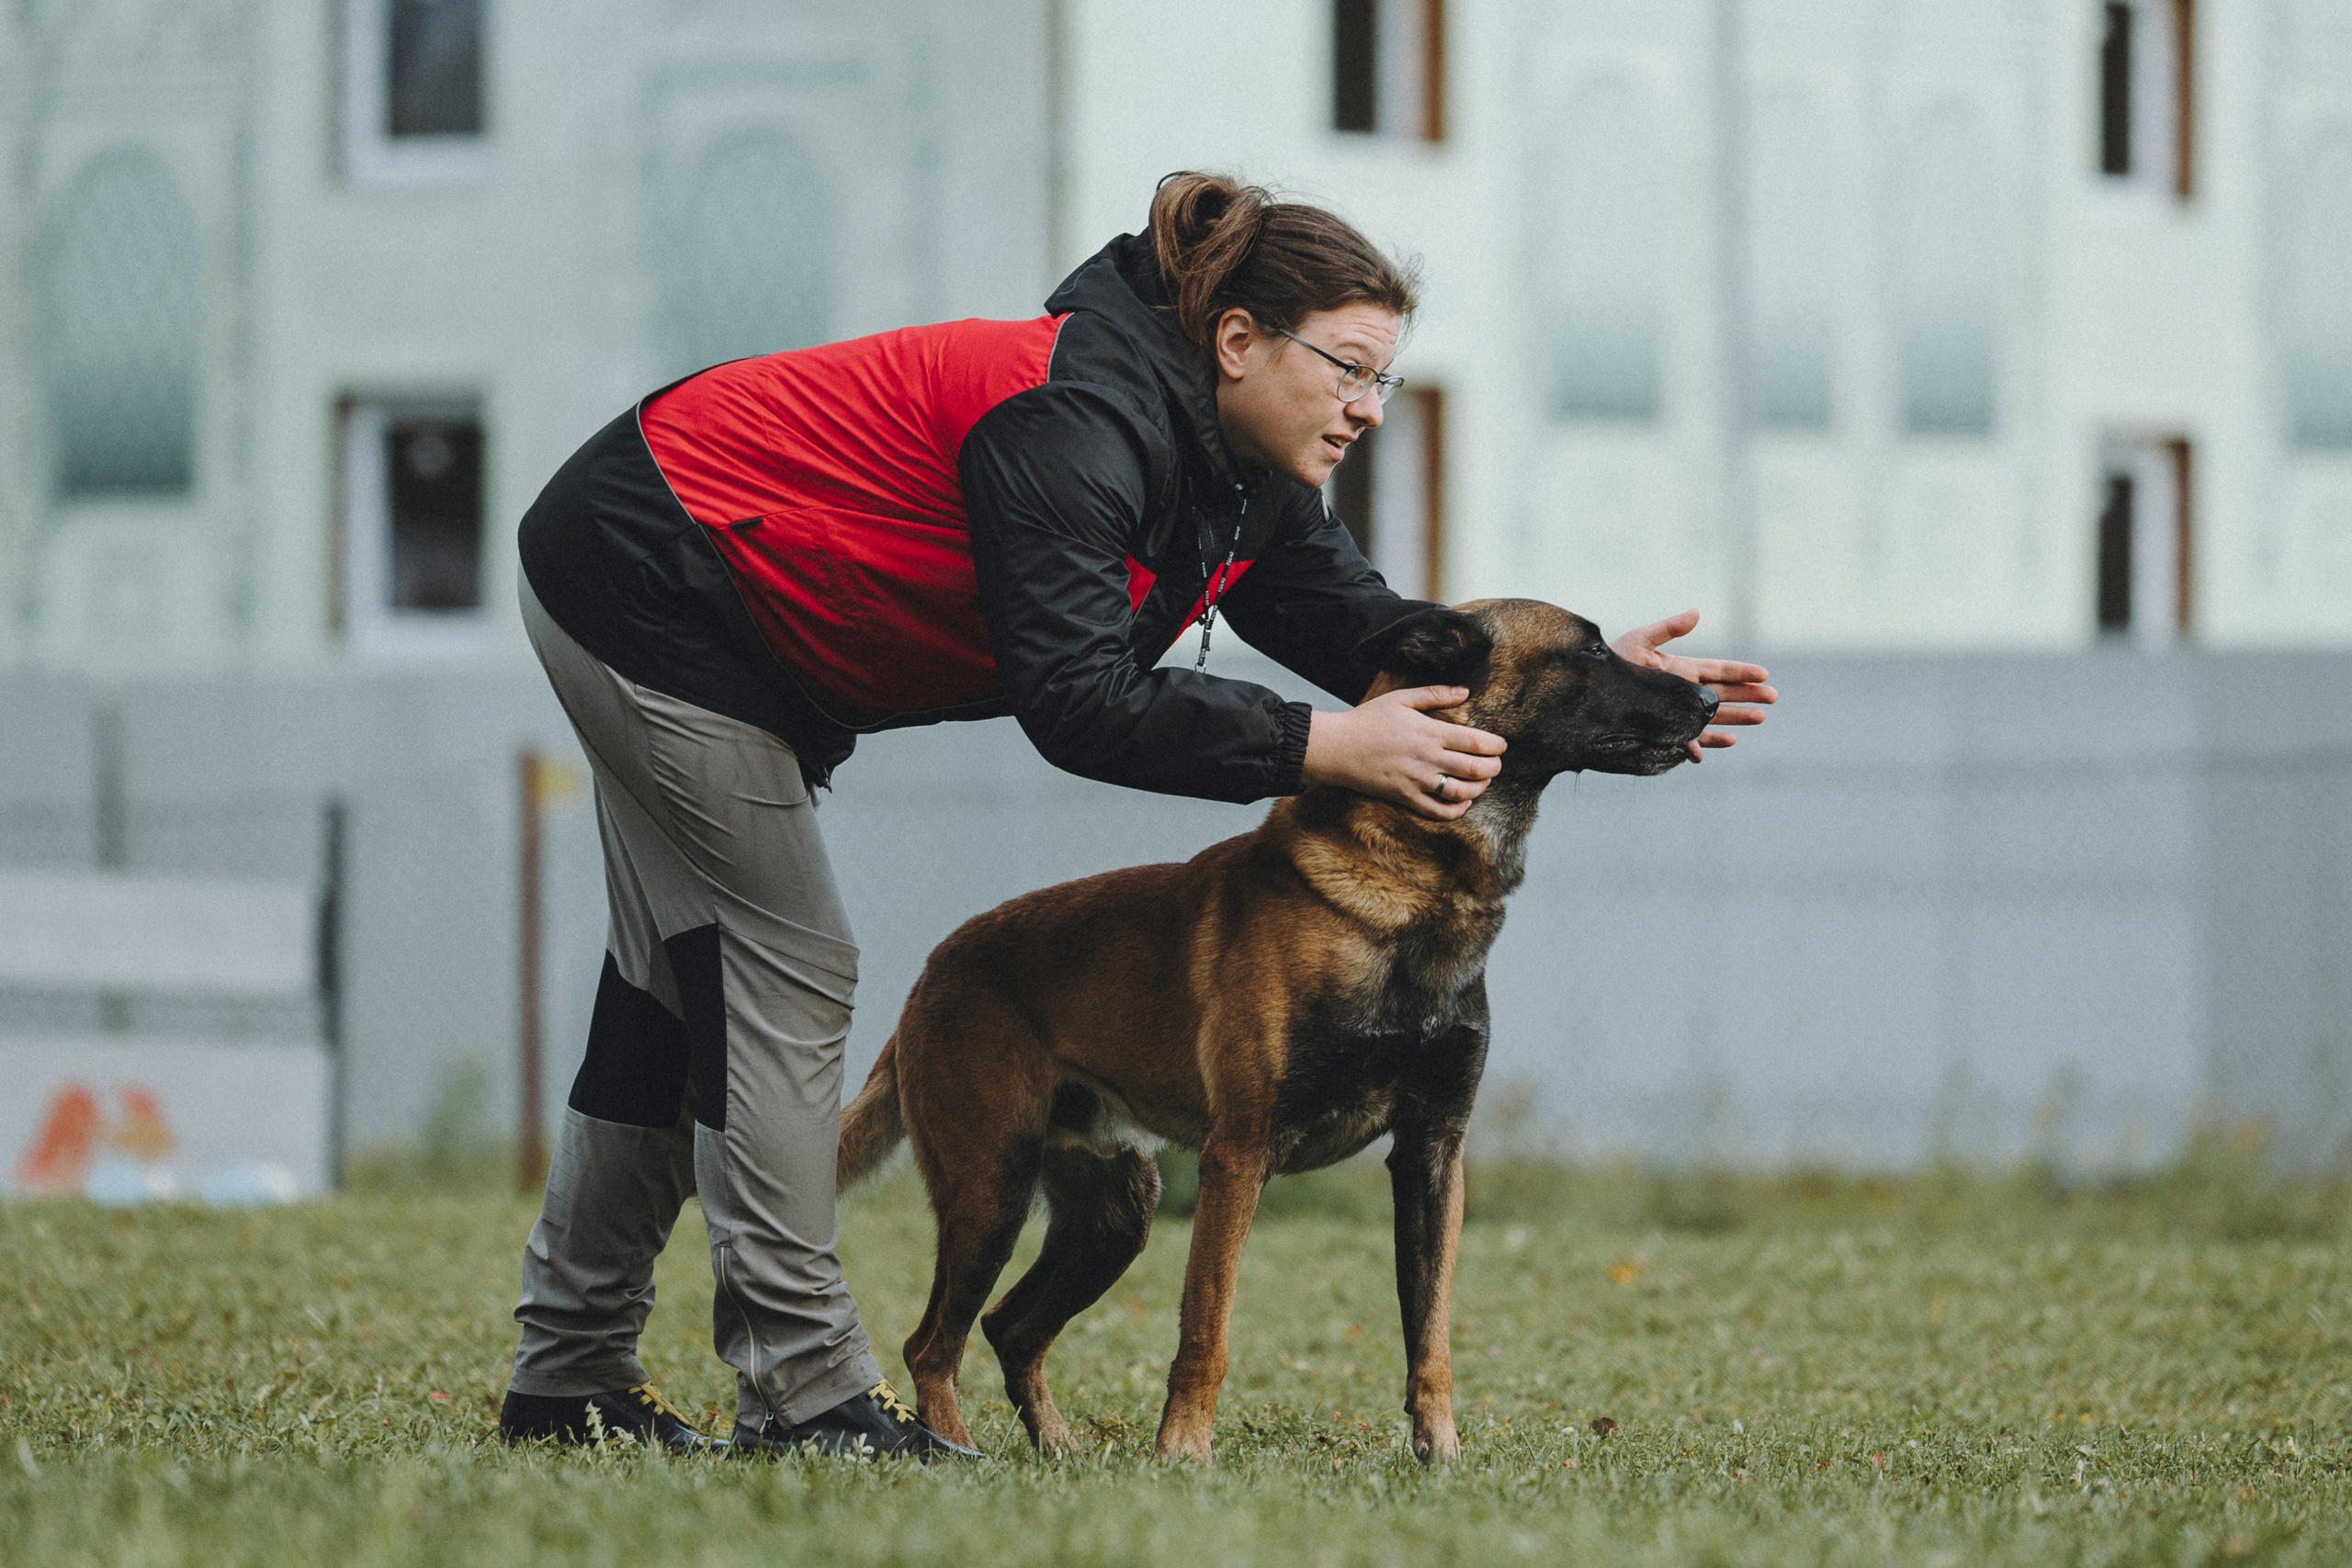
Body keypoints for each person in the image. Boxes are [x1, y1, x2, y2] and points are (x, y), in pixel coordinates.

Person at [495, 172, 1775, 1459]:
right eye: (1346, 369)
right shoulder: (1077, 426)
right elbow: (1080, 699)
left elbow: (1371, 632)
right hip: (656, 568)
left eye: (1384, 379)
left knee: (672, 984)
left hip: (693, 593)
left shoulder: (1242, 472)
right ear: (1236, 341)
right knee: (784, 964)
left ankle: (567, 1379)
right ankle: (804, 1395)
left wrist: (1602, 691)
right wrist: (1329, 746)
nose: (1369, 409)